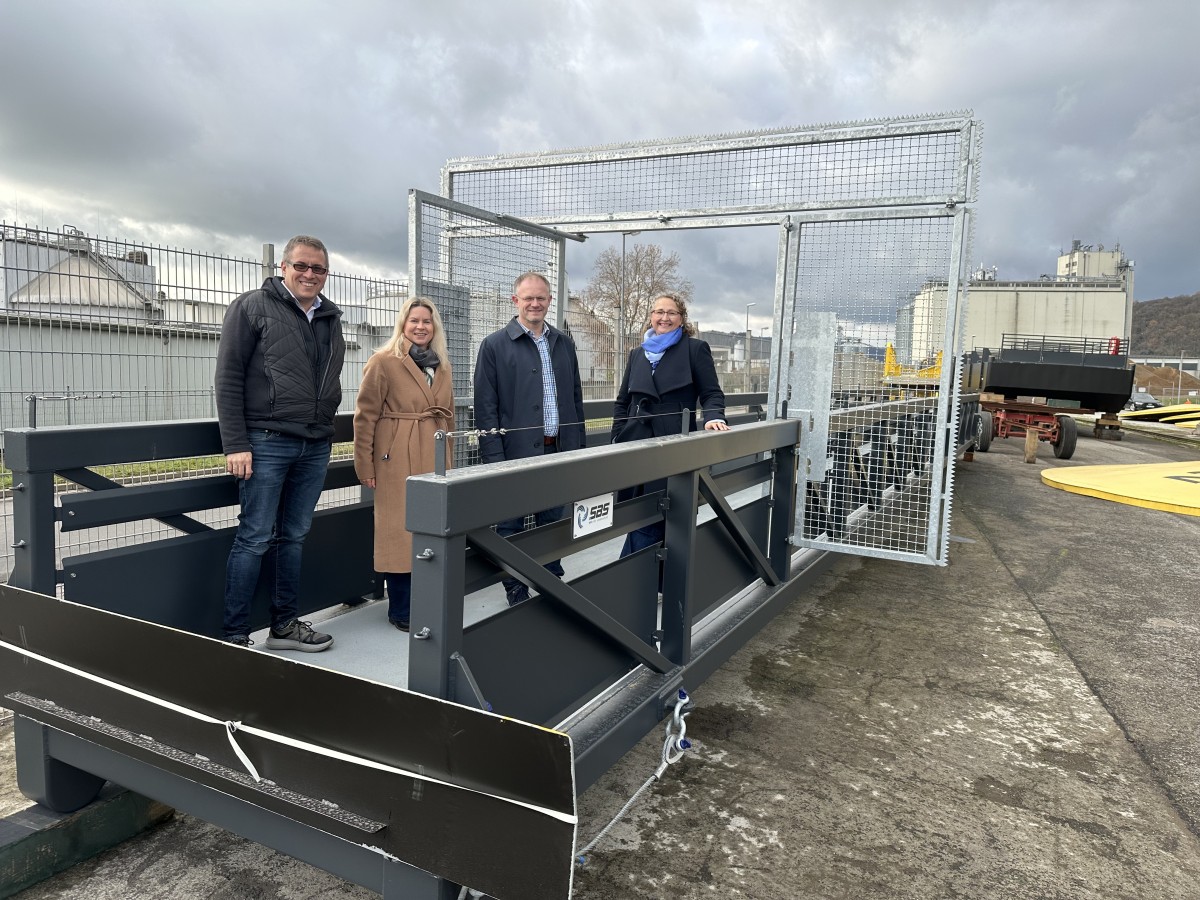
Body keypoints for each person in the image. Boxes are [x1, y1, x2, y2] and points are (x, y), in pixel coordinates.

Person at [215, 235, 344, 651]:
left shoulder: (329, 316)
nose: (309, 274)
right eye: (301, 266)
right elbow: (229, 377)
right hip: (265, 440)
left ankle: (284, 625)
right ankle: (235, 634)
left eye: (318, 269)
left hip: (315, 442)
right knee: (253, 536)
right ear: (284, 267)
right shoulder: (252, 306)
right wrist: (236, 442)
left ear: (326, 275)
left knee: (294, 537)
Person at [473, 271, 586, 605]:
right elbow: (485, 406)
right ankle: (515, 585)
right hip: (514, 453)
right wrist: (494, 459)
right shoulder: (494, 345)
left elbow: (575, 398)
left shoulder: (563, 343)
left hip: (558, 450)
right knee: (511, 523)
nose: (535, 304)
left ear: (550, 301)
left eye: (541, 298)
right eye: (528, 298)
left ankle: (550, 581)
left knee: (554, 520)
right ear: (515, 301)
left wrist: (578, 448)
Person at [353, 297, 454, 631]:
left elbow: (449, 415)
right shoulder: (383, 362)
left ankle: (426, 602)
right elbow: (365, 416)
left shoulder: (442, 364)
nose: (420, 327)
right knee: (398, 531)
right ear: (403, 324)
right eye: (414, 321)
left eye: (427, 321)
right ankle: (401, 609)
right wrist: (364, 466)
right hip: (395, 458)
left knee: (433, 528)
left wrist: (449, 459)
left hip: (435, 454)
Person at [612, 293, 728, 556]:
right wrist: (617, 436)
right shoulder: (637, 353)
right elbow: (622, 401)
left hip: (674, 443)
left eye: (671, 313)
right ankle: (653, 584)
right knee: (638, 515)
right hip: (635, 443)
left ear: (681, 318)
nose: (664, 318)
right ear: (651, 316)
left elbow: (711, 393)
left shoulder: (694, 349)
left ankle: (630, 585)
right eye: (658, 312)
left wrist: (714, 417)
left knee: (657, 515)